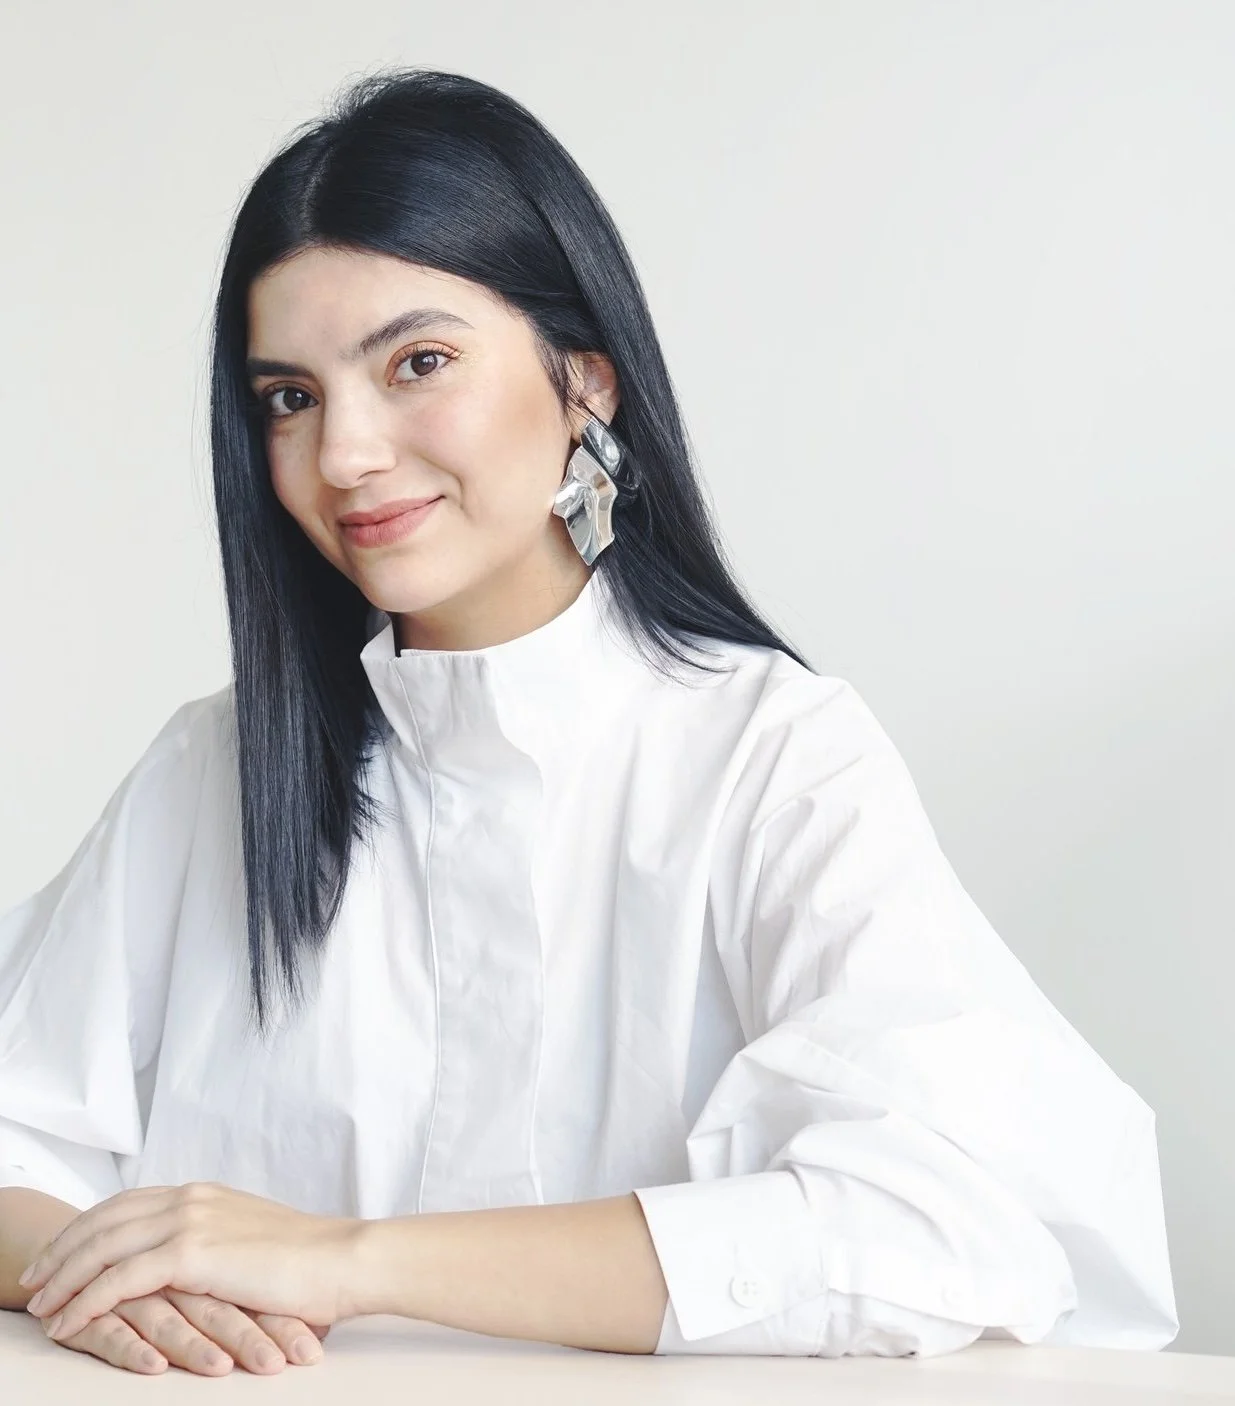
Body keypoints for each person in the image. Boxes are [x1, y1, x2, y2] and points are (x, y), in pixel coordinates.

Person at [0, 67, 1177, 1378]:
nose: (343, 455)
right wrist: (112, 1271)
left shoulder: (771, 758)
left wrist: (341, 1255)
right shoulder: (208, 772)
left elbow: (944, 1225)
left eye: (418, 363)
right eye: (290, 396)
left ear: (587, 382)